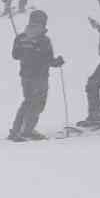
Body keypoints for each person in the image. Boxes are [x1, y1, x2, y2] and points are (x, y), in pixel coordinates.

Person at [8, 9, 64, 141]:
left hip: (25, 76)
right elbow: (48, 60)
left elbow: (15, 56)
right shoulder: (43, 40)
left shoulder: (21, 37)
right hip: (40, 76)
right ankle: (27, 131)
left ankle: (16, 129)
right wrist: (58, 62)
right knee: (37, 103)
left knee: (27, 101)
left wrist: (23, 48)